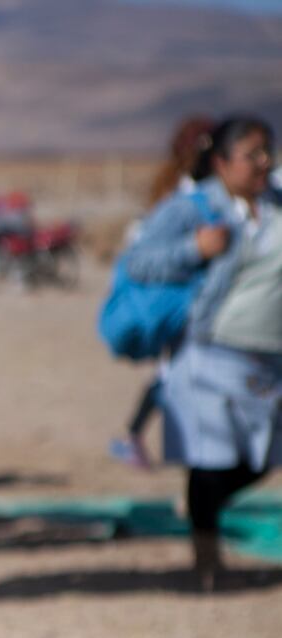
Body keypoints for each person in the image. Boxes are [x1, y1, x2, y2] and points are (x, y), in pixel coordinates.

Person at [123, 115, 280, 591]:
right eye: (251, 154)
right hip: (210, 350)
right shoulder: (193, 208)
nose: (264, 162)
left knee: (264, 455)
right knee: (209, 457)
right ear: (221, 162)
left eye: (267, 151)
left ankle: (203, 511)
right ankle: (207, 557)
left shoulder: (277, 204)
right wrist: (195, 248)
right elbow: (138, 261)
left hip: (269, 356)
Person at [109, 115, 217, 470]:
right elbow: (141, 258)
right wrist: (194, 251)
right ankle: (138, 438)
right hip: (183, 305)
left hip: (203, 308)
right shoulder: (181, 199)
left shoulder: (207, 193)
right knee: (176, 379)